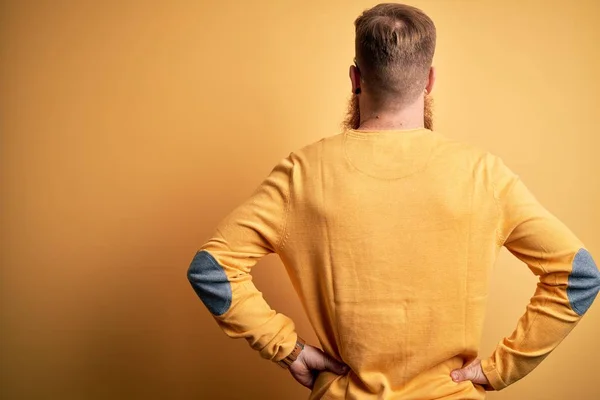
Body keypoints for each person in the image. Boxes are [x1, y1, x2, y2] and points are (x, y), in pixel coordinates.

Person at [186, 3, 600, 399]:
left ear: (354, 78)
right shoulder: (483, 174)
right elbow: (579, 276)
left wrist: (287, 349)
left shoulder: (302, 173)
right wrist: (499, 370)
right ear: (430, 79)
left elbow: (211, 269)